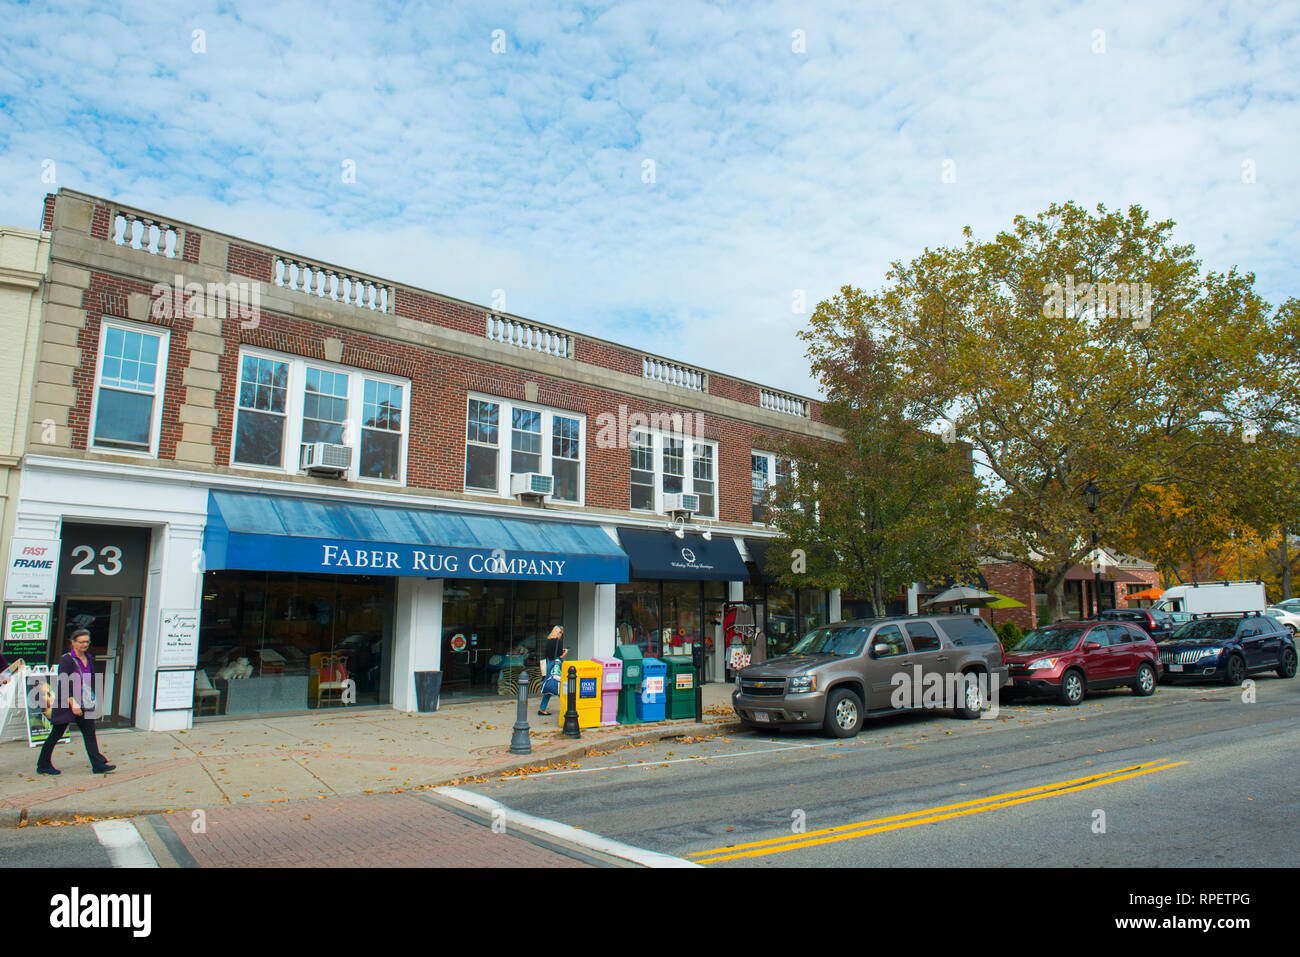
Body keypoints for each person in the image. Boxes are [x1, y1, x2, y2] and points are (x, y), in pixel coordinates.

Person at [36, 629, 114, 775]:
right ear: (73, 643)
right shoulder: (67, 660)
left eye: (87, 641)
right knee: (56, 733)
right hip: (68, 702)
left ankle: (97, 764)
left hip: (84, 702)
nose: (85, 644)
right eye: (81, 642)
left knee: (89, 732)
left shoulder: (89, 658)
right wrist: (73, 703)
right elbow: (63, 683)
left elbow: (88, 681)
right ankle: (43, 764)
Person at [537, 625, 566, 716]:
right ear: (558, 633)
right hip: (556, 665)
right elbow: (560, 656)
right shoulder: (558, 641)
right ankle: (568, 708)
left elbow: (548, 654)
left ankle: (542, 708)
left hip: (549, 664)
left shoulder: (548, 641)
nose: (561, 635)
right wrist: (566, 651)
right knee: (559, 685)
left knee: (550, 685)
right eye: (561, 633)